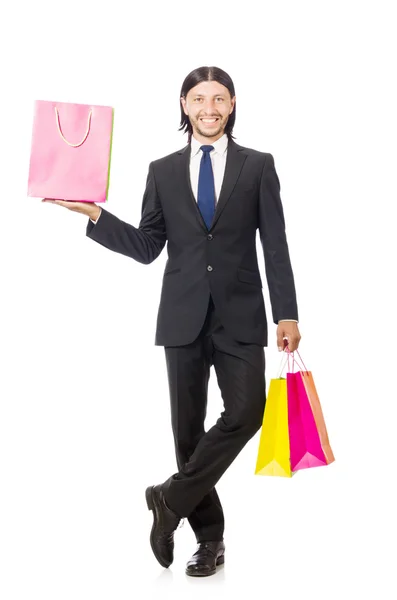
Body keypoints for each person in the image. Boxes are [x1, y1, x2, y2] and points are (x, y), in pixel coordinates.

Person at [42, 65, 301, 577]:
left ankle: (169, 498)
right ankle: (211, 541)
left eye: (219, 98)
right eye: (199, 98)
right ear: (184, 104)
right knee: (187, 432)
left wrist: (287, 311)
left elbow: (275, 243)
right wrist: (94, 215)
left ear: (232, 104)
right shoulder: (161, 170)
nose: (210, 107)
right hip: (181, 317)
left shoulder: (258, 166)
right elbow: (147, 246)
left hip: (241, 315)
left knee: (248, 412)